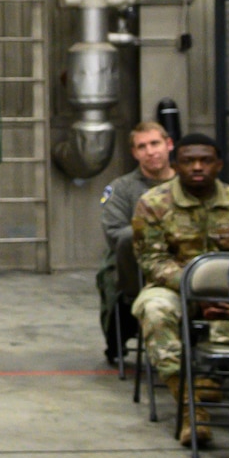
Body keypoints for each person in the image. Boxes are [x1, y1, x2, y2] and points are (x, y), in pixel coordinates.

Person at [130, 133, 229, 446]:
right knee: (154, 311)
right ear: (176, 165)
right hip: (172, 286)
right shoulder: (153, 204)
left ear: (219, 164)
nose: (198, 167)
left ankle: (212, 379)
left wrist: (225, 296)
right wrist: (195, 291)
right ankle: (191, 407)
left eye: (205, 160)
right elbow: (152, 260)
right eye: (189, 161)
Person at [97, 122, 177, 363]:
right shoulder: (121, 189)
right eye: (142, 147)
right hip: (134, 264)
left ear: (169, 144)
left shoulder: (188, 184)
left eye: (155, 144)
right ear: (134, 153)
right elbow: (114, 233)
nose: (150, 151)